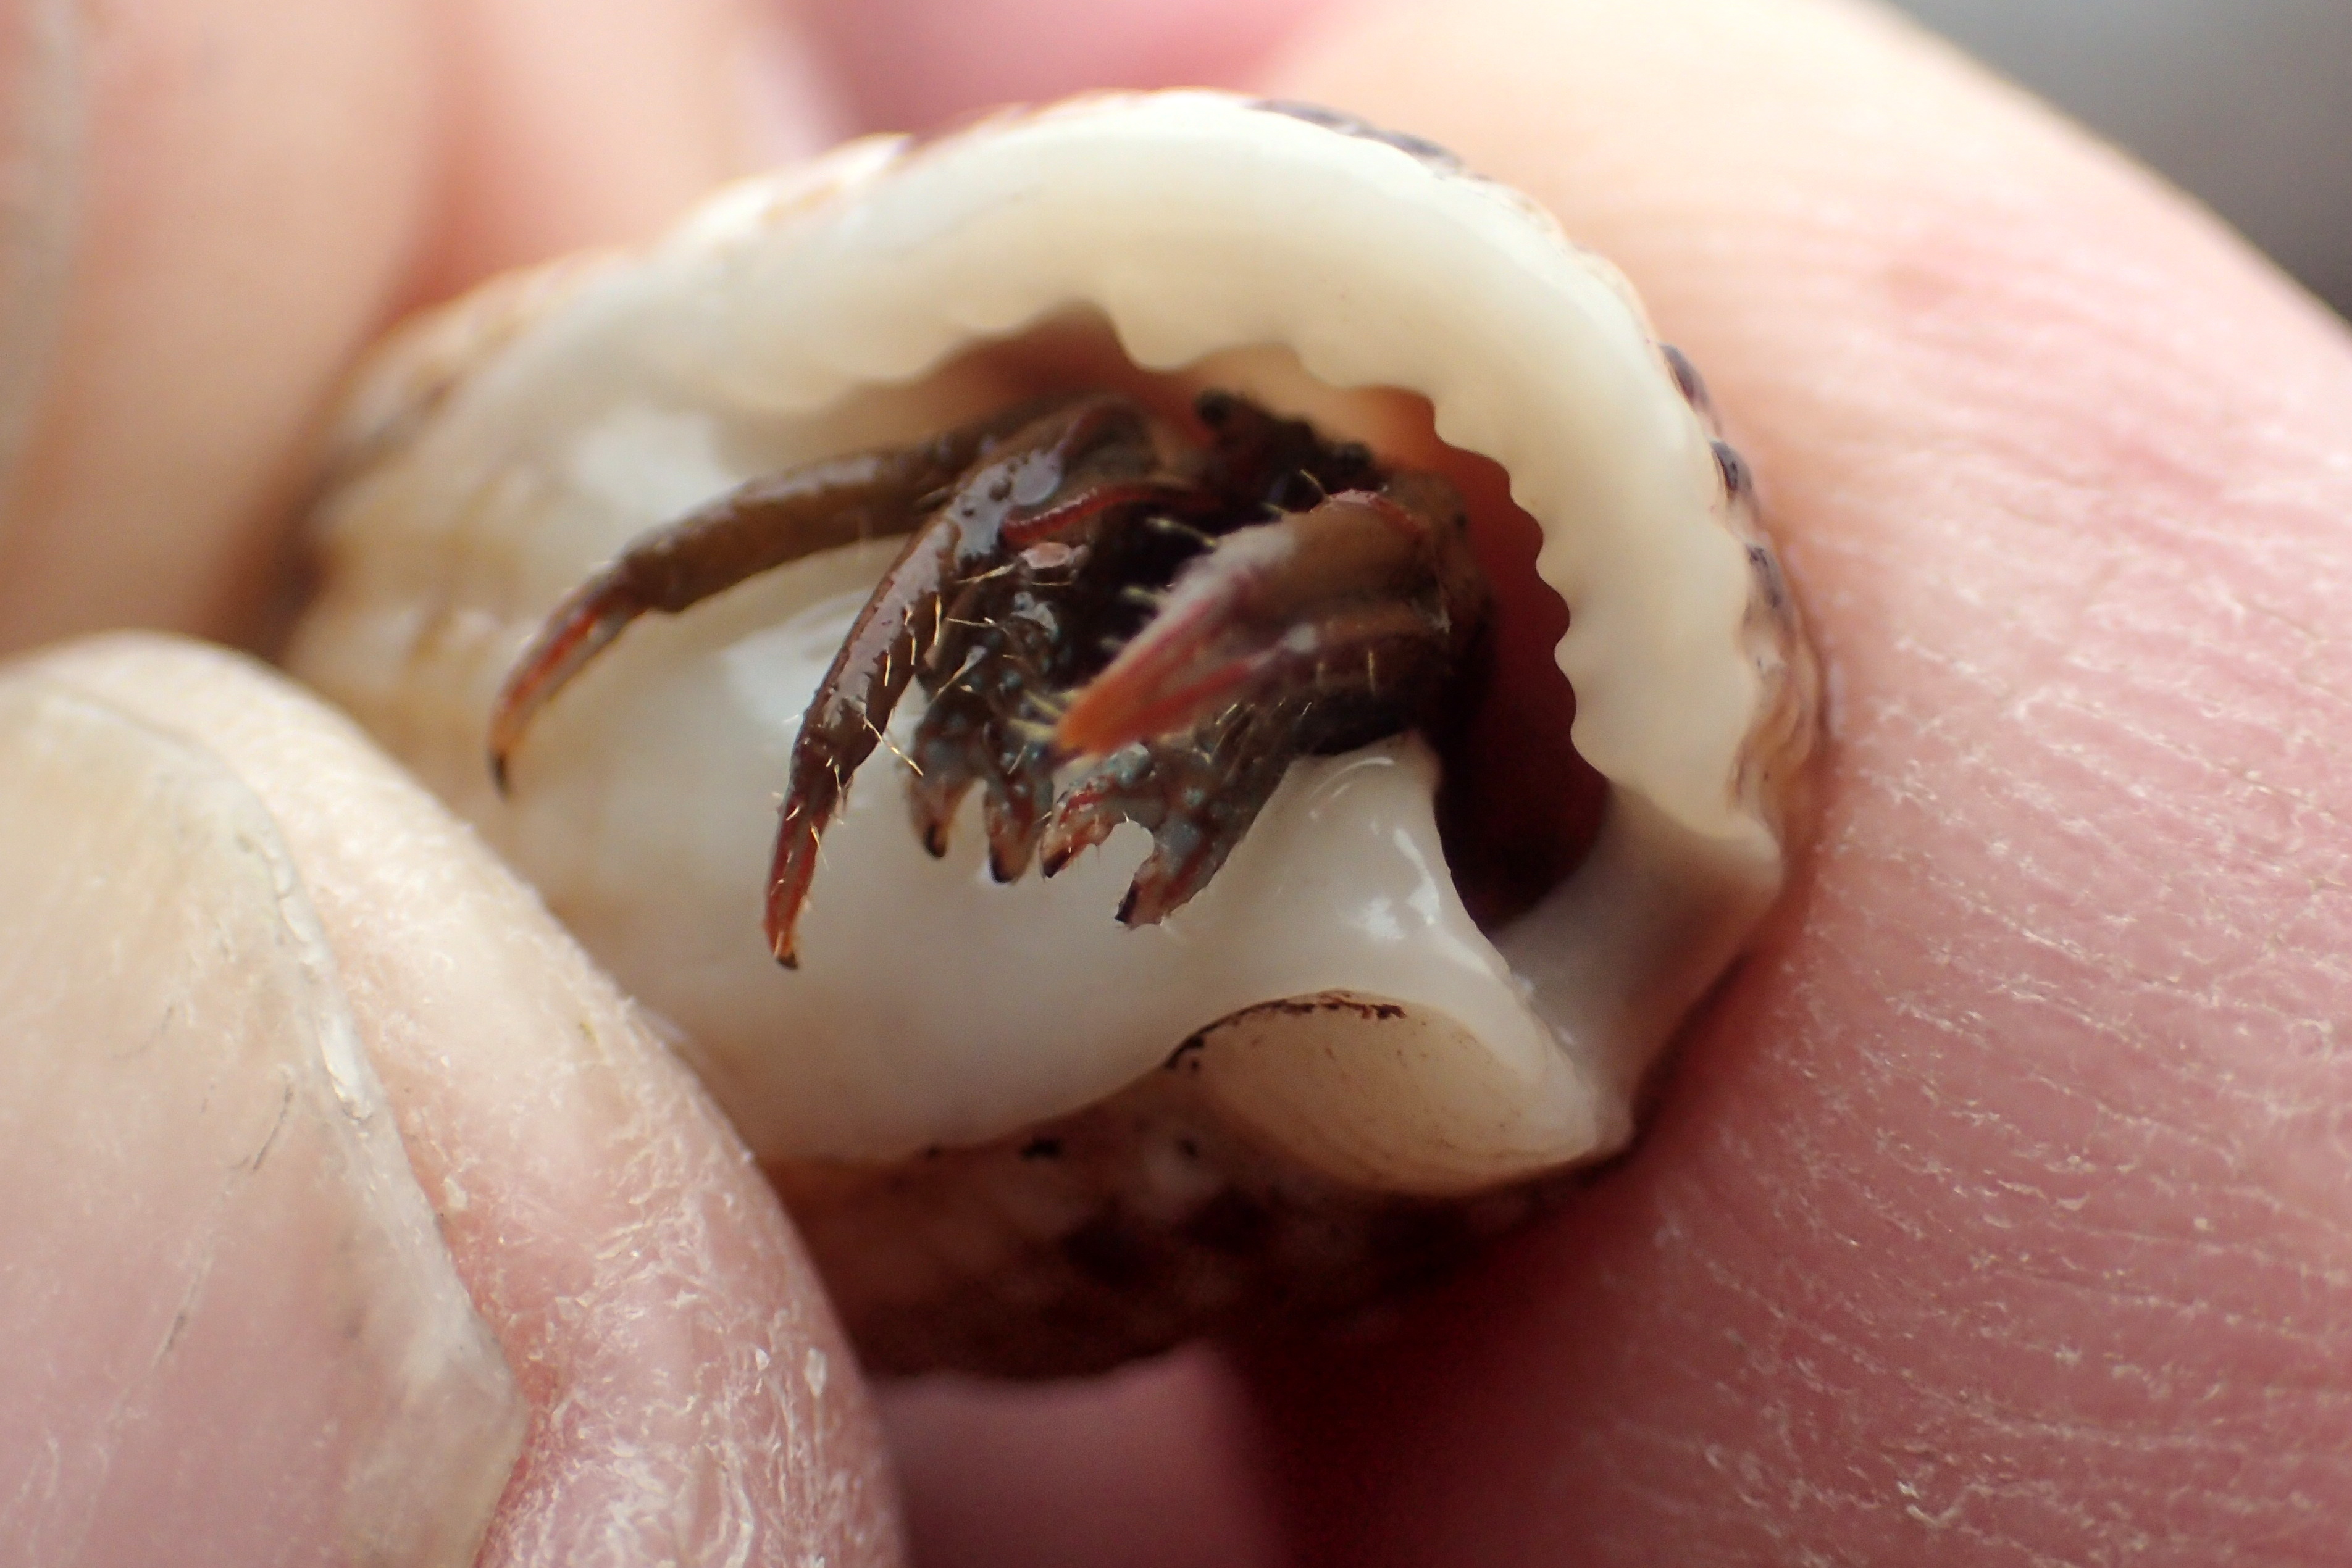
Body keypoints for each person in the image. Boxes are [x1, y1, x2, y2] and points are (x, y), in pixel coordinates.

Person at [3, 0, 2346, 1562]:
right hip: (942, 528)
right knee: (1049, 497)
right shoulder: (1079, 464)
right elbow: (985, 509)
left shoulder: (1370, 638)